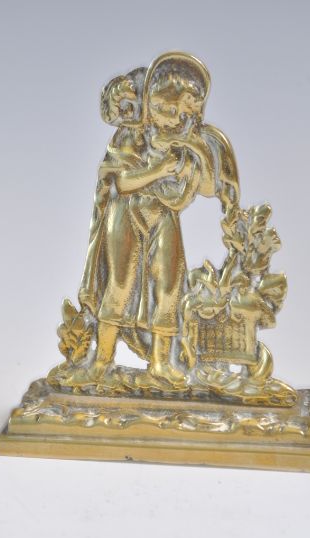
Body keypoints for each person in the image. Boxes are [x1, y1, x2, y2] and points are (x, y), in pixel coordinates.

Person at [79, 53, 217, 386]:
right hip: (127, 212)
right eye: (164, 109)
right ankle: (102, 360)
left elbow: (210, 187)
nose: (172, 119)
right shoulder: (131, 135)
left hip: (164, 213)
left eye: (182, 113)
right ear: (148, 104)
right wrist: (159, 169)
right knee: (120, 284)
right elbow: (123, 183)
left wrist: (196, 157)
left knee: (169, 284)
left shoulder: (185, 140)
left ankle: (161, 363)